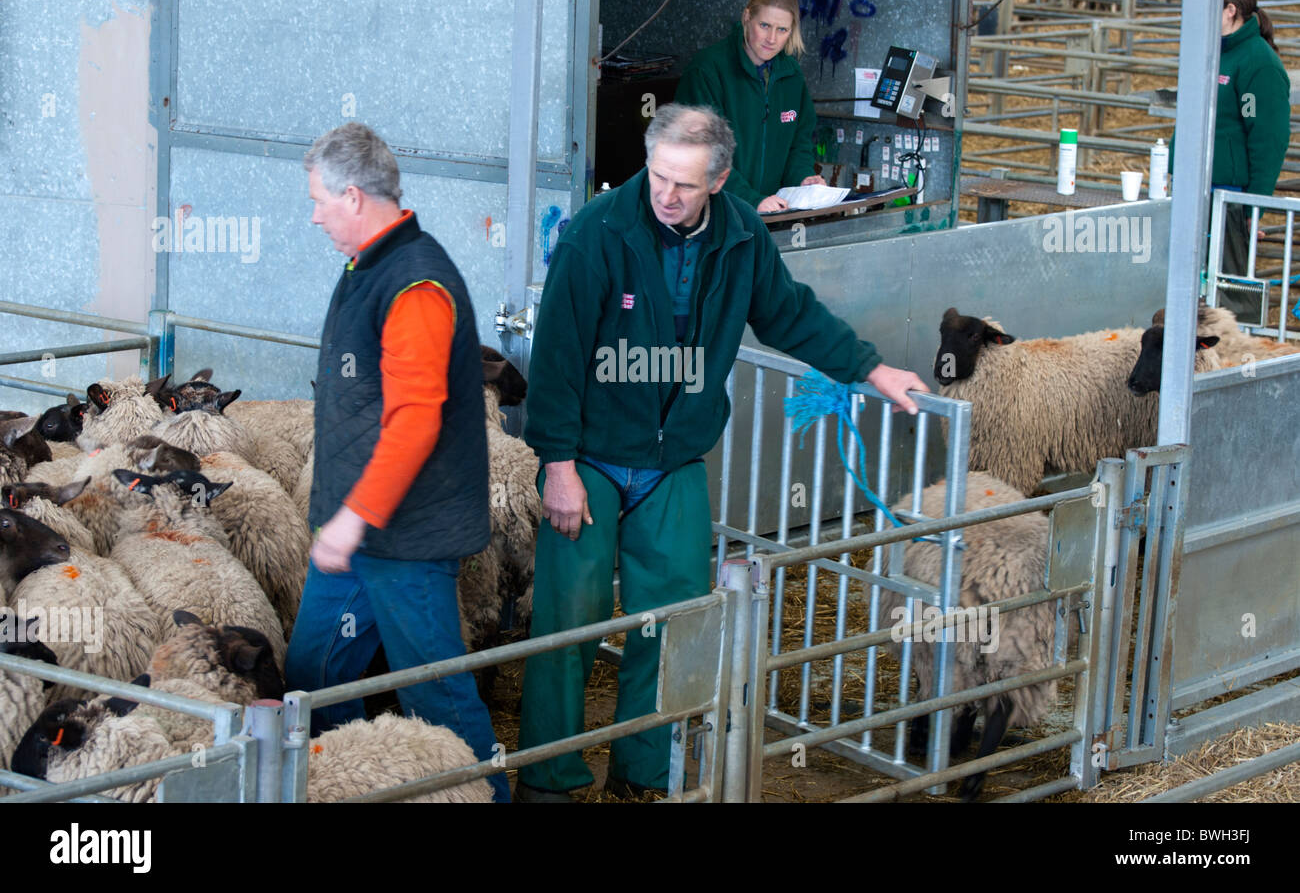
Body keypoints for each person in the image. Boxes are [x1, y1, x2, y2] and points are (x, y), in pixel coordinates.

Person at [514, 103, 927, 801]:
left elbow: (789, 314)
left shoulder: (740, 234)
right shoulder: (596, 232)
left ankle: (644, 774)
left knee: (671, 620)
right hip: (590, 455)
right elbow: (555, 356)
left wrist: (870, 368)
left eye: (684, 183)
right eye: (657, 175)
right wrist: (557, 466)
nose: (666, 194)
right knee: (570, 621)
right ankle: (550, 781)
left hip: (675, 456)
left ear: (721, 178)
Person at [287, 122, 509, 803]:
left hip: (405, 537)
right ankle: (365, 785)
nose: (316, 214)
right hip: (360, 535)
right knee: (314, 678)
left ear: (353, 196)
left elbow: (415, 420)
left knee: (434, 691)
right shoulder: (370, 265)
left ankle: (483, 796)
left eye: (321, 200)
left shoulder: (415, 284)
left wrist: (354, 518)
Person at [1175, 0, 1291, 321]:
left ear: (1230, 10)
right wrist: (1172, 170)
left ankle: (1235, 361)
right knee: (1188, 282)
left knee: (1227, 291)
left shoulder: (1258, 63)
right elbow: (1192, 117)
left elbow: (1268, 138)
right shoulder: (1208, 53)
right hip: (1193, 190)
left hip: (1229, 195)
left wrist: (1254, 205)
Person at [675, 0, 825, 213]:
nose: (772, 39)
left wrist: (804, 179)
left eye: (782, 30)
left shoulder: (791, 75)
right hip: (713, 216)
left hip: (770, 217)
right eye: (764, 25)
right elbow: (701, 152)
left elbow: (799, 144)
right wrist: (750, 199)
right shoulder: (708, 70)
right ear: (747, 17)